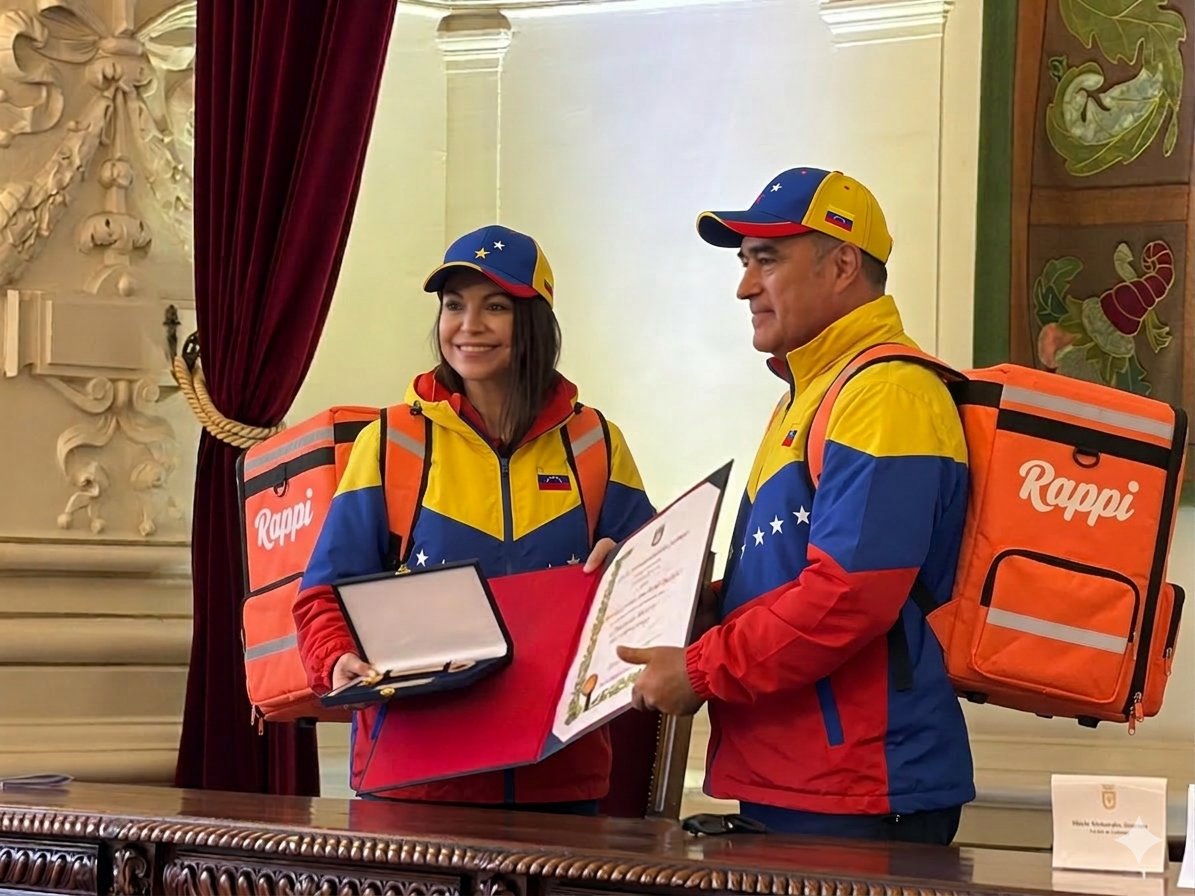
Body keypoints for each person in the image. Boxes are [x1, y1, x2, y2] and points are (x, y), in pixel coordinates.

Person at [615, 167, 975, 843]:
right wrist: (664, 602)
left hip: (857, 787)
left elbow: (848, 595)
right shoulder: (810, 392)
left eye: (767, 261)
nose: (744, 286)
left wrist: (697, 669)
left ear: (841, 265)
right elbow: (780, 580)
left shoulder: (885, 393)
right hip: (799, 778)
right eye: (745, 262)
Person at [294, 224, 655, 815]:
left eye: (496, 307)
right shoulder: (389, 443)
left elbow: (657, 588)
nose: (469, 326)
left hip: (558, 779)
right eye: (454, 305)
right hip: (415, 782)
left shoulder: (597, 443)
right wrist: (336, 660)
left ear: (535, 320)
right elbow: (321, 599)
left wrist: (626, 576)